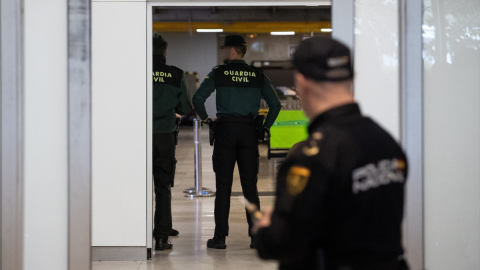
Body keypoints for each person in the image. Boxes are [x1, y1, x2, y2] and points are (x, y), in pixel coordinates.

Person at [253, 37, 409, 270]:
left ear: (302, 81)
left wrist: (265, 229)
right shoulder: (386, 142)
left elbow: (282, 244)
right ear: (350, 79)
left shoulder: (312, 157)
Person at [192, 35, 281, 249]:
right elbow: (275, 104)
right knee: (250, 186)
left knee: (223, 187)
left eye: (224, 49)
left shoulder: (218, 73)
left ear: (232, 51)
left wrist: (206, 119)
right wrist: (265, 127)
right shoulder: (257, 75)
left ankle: (220, 238)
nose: (222, 52)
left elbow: (197, 99)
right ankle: (257, 236)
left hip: (225, 132)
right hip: (249, 132)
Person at [152, 33, 192, 251]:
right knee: (163, 187)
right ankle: (161, 236)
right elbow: (185, 107)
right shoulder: (175, 74)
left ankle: (134, 231)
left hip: (139, 137)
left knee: (136, 186)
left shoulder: (136, 70)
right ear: (165, 52)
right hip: (165, 135)